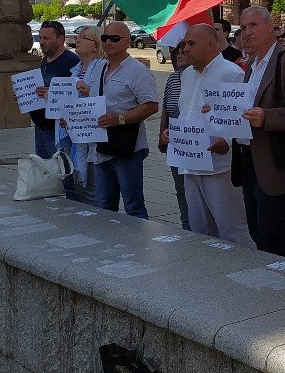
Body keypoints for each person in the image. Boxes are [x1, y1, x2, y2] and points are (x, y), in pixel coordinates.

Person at [234, 6, 285, 256]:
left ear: (270, 26)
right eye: (244, 27)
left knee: (270, 236)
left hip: (272, 160)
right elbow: (246, 104)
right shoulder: (250, 65)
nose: (247, 32)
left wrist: (267, 117)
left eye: (253, 25)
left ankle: (282, 286)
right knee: (256, 229)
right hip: (247, 158)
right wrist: (220, 108)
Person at [171, 24, 254, 246]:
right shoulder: (186, 74)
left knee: (231, 228)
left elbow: (240, 118)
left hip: (220, 166)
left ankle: (240, 271)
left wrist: (226, 142)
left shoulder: (232, 73)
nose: (185, 49)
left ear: (211, 44)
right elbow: (186, 111)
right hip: (189, 162)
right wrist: (172, 132)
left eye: (191, 43)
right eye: (184, 44)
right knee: (199, 228)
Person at [92, 21, 159, 219]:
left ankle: (138, 245)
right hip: (100, 145)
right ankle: (111, 244)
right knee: (104, 204)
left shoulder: (137, 71)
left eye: (115, 38)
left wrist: (119, 119)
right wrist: (72, 119)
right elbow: (89, 100)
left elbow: (151, 105)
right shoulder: (98, 68)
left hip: (126, 147)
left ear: (127, 41)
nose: (108, 42)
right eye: (105, 38)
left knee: (133, 205)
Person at [58, 25, 103, 204]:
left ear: (96, 45)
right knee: (79, 190)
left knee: (92, 190)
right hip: (74, 135)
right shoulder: (75, 70)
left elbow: (106, 99)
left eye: (85, 37)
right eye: (79, 36)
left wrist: (89, 92)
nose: (78, 39)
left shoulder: (101, 67)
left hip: (93, 140)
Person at [30, 20, 79, 160]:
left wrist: (51, 93)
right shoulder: (45, 60)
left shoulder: (72, 61)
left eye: (46, 38)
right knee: (47, 173)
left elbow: (75, 94)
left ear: (60, 39)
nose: (41, 42)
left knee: (62, 174)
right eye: (40, 38)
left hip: (58, 130)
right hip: (40, 128)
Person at [156, 44, 192, 229]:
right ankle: (186, 225)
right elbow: (166, 110)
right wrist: (162, 133)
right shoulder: (172, 79)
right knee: (181, 190)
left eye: (183, 52)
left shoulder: (198, 79)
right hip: (175, 143)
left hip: (194, 144)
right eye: (176, 52)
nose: (178, 55)